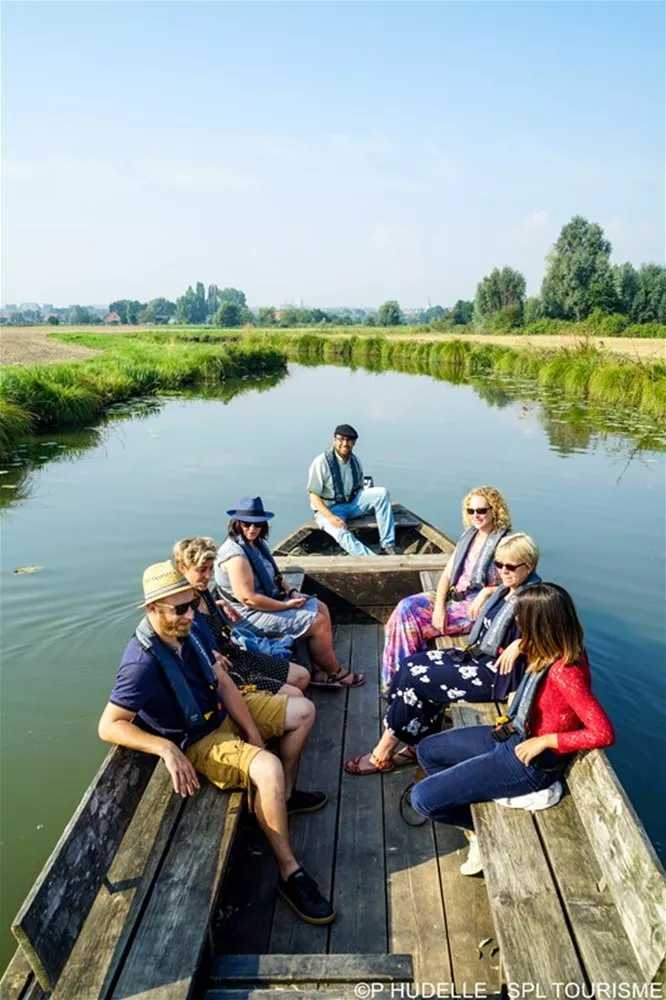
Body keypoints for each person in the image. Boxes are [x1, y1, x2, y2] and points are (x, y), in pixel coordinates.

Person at [98, 560, 335, 925]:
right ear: (151, 609)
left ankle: (284, 798)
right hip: (200, 739)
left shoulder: (185, 631)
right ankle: (290, 873)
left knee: (303, 711)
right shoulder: (140, 664)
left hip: (221, 710)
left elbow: (223, 683)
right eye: (179, 609)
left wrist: (254, 734)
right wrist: (164, 747)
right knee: (266, 766)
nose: (190, 614)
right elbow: (109, 725)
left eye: (192, 604)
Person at [410, 583, 615, 876]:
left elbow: (603, 732)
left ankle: (479, 828)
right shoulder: (549, 648)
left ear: (538, 624)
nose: (516, 621)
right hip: (513, 736)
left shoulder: (565, 672)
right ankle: (473, 818)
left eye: (521, 617)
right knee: (429, 751)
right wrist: (519, 645)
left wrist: (546, 740)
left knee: (423, 799)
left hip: (530, 763)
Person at [345, 533, 541, 775]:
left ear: (529, 565)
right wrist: (488, 592)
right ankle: (419, 744)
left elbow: (557, 641)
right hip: (475, 657)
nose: (503, 571)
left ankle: (383, 753)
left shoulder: (535, 599)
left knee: (418, 680)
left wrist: (521, 644)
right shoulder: (506, 589)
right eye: (499, 564)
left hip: (497, 676)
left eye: (511, 566)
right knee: (409, 666)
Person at [215, 497, 365, 688]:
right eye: (246, 524)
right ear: (236, 523)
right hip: (247, 616)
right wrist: (285, 606)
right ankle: (335, 672)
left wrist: (291, 591)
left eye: (257, 524)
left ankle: (318, 670)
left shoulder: (257, 544)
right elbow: (248, 599)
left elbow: (276, 576)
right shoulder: (236, 556)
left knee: (321, 608)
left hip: (268, 601)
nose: (252, 529)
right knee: (316, 622)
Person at [381, 486, 511, 690]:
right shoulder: (469, 537)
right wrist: (439, 606)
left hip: (474, 608)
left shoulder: (505, 544)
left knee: (407, 624)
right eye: (471, 511)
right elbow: (447, 575)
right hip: (452, 598)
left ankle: (400, 682)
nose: (475, 515)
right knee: (404, 607)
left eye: (481, 511)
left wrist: (487, 591)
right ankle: (399, 678)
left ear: (495, 510)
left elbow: (517, 585)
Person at [173, 536, 311, 697]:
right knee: (295, 694)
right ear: (182, 567)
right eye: (201, 569)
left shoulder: (201, 592)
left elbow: (203, 616)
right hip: (226, 670)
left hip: (235, 653)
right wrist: (207, 652)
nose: (208, 576)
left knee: (302, 676)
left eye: (211, 569)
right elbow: (176, 645)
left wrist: (220, 604)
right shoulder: (181, 606)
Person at [306, 423, 397, 556]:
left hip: (351, 504)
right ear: (334, 440)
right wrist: (330, 517)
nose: (345, 443)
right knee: (341, 533)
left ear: (354, 443)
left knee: (382, 494)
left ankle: (387, 545)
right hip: (329, 509)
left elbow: (360, 488)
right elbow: (313, 495)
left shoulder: (355, 461)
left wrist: (368, 505)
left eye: (349, 440)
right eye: (341, 439)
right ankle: (371, 559)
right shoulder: (321, 462)